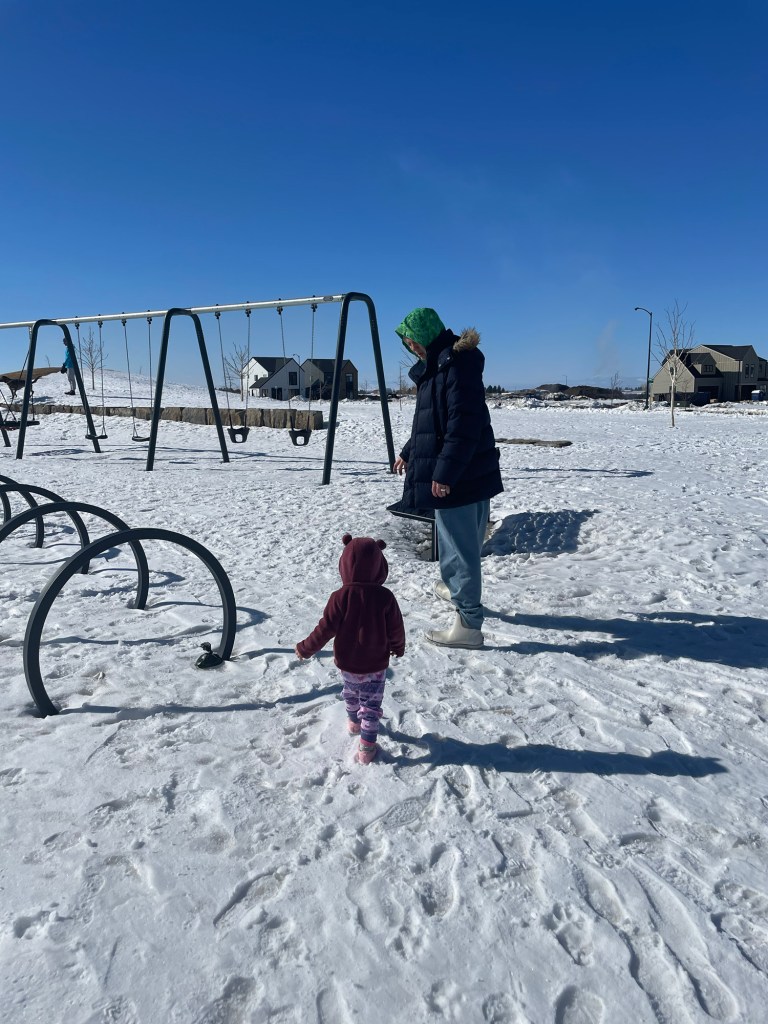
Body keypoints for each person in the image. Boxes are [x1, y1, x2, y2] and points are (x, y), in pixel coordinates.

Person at [393, 307, 503, 649]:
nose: (412, 349)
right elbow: (434, 422)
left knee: (460, 549)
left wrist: (444, 474)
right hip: (465, 471)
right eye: (408, 345)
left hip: (460, 474)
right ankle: (455, 587)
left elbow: (463, 424)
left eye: (413, 342)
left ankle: (468, 624)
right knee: (459, 543)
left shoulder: (455, 365)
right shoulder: (441, 365)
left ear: (426, 336)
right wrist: (410, 451)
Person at [295, 534, 405, 764]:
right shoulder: (385, 597)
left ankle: (354, 721)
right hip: (376, 665)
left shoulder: (339, 597)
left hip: (347, 663)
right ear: (379, 565)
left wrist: (306, 649)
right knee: (372, 705)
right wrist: (398, 647)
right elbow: (396, 627)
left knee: (351, 692)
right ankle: (366, 747)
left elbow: (324, 629)